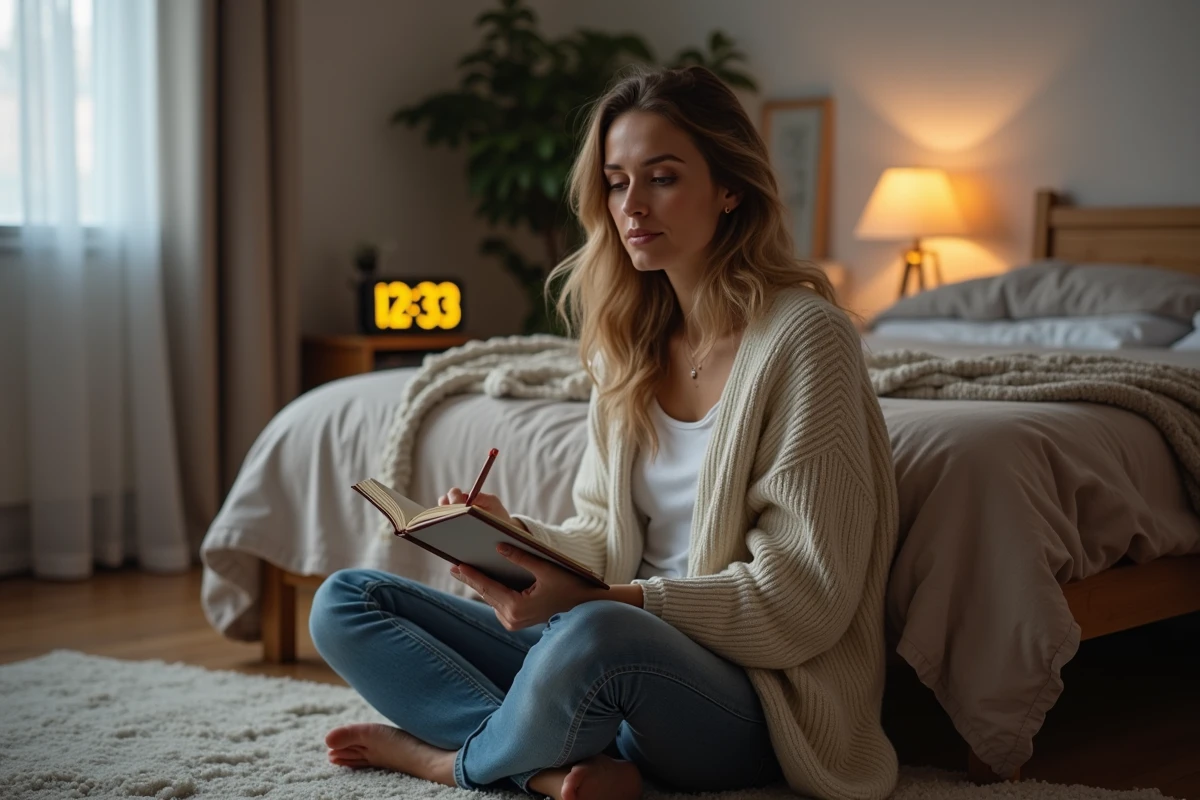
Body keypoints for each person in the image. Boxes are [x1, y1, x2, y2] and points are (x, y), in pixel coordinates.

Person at [308, 63, 900, 800]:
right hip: (605, 653)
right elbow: (603, 538)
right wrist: (514, 539)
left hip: (747, 705)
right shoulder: (629, 343)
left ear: (729, 188)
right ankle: (556, 761)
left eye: (662, 178)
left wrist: (612, 604)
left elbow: (805, 598)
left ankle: (448, 760)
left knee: (594, 637)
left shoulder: (806, 340)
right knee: (346, 601)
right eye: (617, 182)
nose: (632, 206)